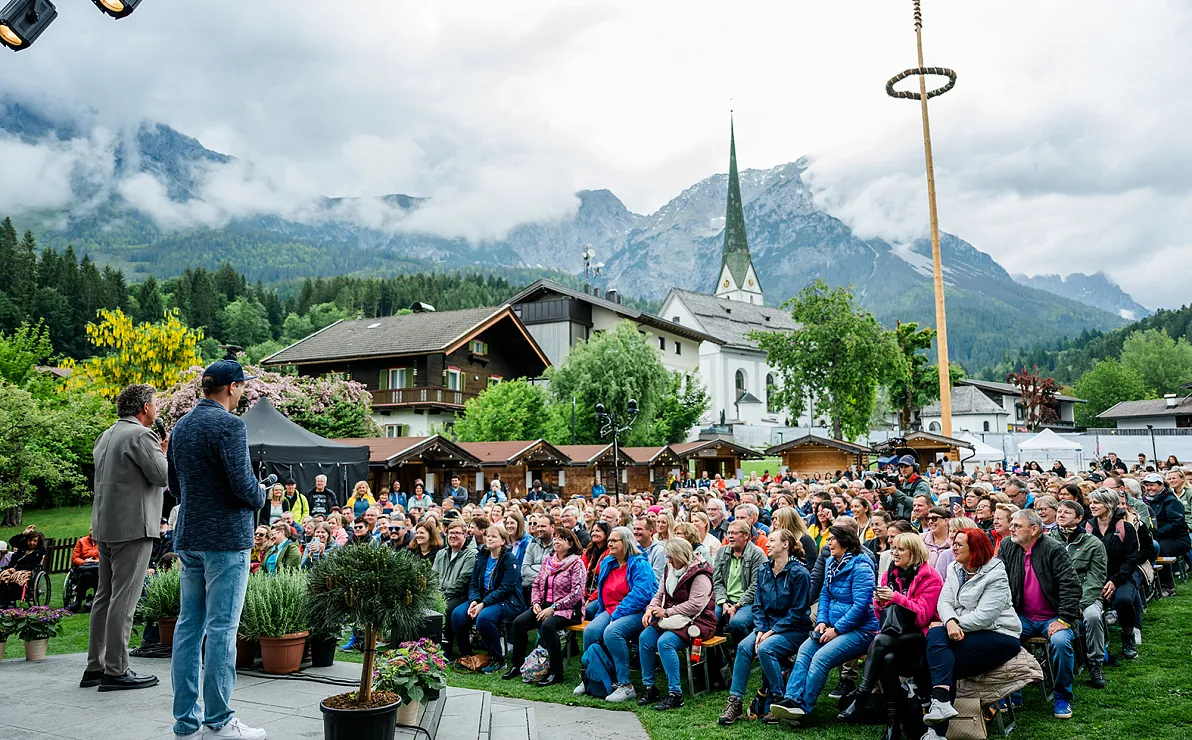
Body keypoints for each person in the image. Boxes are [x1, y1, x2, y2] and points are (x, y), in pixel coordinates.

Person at [167, 359, 269, 740]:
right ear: (232, 387)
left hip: (190, 537)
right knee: (223, 630)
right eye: (242, 386)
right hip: (226, 540)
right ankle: (220, 720)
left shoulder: (181, 426)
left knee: (188, 629)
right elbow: (244, 487)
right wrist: (263, 494)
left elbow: (174, 488)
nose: (243, 392)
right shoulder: (230, 425)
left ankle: (185, 723)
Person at [85, 383, 169, 693]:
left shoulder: (106, 435)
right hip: (134, 528)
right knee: (125, 598)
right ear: (145, 408)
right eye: (155, 404)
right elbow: (162, 476)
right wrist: (163, 451)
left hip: (106, 527)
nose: (156, 408)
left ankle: (95, 665)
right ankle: (117, 670)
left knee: (104, 597)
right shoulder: (141, 435)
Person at [769, 524, 878, 723]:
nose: (828, 543)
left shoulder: (862, 566)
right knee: (805, 650)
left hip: (861, 630)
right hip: (831, 625)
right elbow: (825, 594)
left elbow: (861, 605)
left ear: (845, 541)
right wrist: (821, 621)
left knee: (820, 657)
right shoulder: (831, 562)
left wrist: (836, 630)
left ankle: (803, 707)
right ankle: (791, 699)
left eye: (832, 539)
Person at [921, 529, 1022, 740]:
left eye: (959, 544)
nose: (953, 548)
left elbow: (985, 616)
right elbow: (944, 601)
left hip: (999, 634)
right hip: (962, 631)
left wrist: (951, 625)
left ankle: (936, 730)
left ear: (975, 548)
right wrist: (949, 622)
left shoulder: (995, 574)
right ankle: (940, 708)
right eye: (953, 543)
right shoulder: (954, 568)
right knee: (941, 650)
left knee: (940, 658)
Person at [838, 532, 942, 736]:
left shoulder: (931, 577)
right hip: (894, 636)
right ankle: (892, 724)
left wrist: (896, 597)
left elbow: (923, 617)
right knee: (887, 659)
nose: (895, 553)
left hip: (920, 636)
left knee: (879, 641)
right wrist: (881, 602)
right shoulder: (889, 574)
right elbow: (882, 617)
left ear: (914, 553)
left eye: (901, 549)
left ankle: (861, 698)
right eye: (894, 548)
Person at [718, 529, 811, 726]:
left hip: (793, 629)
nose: (767, 544)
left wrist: (771, 632)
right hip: (766, 626)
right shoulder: (764, 570)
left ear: (785, 544)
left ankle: (778, 700)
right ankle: (735, 702)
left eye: (772, 540)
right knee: (744, 647)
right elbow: (758, 606)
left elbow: (798, 611)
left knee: (766, 649)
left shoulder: (800, 573)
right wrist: (760, 630)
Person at [997, 509, 1082, 720]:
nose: (1011, 529)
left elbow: (1070, 585)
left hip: (1054, 616)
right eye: (1012, 525)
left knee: (1061, 644)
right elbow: (998, 581)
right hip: (1022, 615)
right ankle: (1012, 693)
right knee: (1001, 638)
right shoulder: (1008, 546)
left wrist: (1064, 619)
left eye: (1017, 526)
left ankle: (1062, 696)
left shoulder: (1053, 548)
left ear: (1034, 529)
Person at [577, 526, 658, 702]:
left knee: (612, 632)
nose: (610, 543)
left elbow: (642, 595)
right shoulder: (608, 562)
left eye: (614, 540)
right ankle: (589, 676)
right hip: (612, 609)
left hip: (639, 611)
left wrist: (617, 614)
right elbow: (602, 591)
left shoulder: (639, 564)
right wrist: (603, 613)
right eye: (610, 540)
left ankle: (625, 685)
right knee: (591, 631)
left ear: (626, 542)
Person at [637, 538, 718, 711]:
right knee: (645, 638)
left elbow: (696, 605)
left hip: (698, 621)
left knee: (665, 642)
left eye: (672, 557)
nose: (669, 561)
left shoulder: (700, 574)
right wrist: (650, 609)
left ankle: (676, 694)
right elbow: (660, 593)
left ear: (682, 555)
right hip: (672, 618)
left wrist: (666, 612)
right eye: (667, 557)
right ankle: (650, 687)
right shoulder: (670, 568)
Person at [505, 528, 587, 685]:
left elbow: (576, 593)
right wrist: (536, 603)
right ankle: (517, 665)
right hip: (544, 606)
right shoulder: (548, 560)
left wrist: (553, 608)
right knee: (518, 623)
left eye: (561, 539)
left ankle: (557, 672)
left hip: (568, 610)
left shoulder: (577, 563)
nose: (556, 541)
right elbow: (536, 584)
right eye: (555, 538)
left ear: (570, 544)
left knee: (548, 626)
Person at [1048, 500, 1109, 688]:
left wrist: (1080, 604)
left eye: (1067, 512)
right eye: (1059, 511)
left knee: (1091, 616)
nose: (1061, 515)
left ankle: (1095, 665)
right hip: (1055, 596)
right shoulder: (1047, 541)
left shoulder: (1093, 543)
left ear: (1079, 518)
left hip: (1086, 596)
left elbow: (1096, 578)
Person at [452, 525, 524, 673]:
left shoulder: (510, 559)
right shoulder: (482, 556)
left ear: (503, 541)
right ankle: (466, 655)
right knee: (458, 614)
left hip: (508, 600)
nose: (489, 539)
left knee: (484, 618)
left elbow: (506, 589)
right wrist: (475, 600)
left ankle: (497, 658)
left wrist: (483, 604)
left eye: (493, 536)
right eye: (488, 536)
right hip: (483, 598)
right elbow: (473, 583)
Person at [1086, 487, 1144, 659]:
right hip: (1095, 576)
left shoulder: (1125, 527)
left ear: (1109, 504)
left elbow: (1131, 559)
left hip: (1122, 574)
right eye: (1091, 502)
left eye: (1096, 502)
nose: (1092, 506)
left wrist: (1115, 581)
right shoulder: (1088, 527)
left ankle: (1128, 636)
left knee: (1124, 600)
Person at [712, 520, 766, 644]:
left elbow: (756, 585)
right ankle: (719, 660)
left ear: (745, 535)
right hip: (726, 600)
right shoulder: (722, 552)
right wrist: (723, 602)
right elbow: (717, 580)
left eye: (734, 533)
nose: (730, 536)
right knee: (711, 620)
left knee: (737, 623)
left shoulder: (757, 554)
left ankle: (743, 653)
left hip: (749, 602)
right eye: (729, 533)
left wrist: (737, 606)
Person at [433, 520, 478, 659]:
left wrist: (442, 596)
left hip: (460, 596)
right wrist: (435, 593)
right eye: (451, 533)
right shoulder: (441, 553)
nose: (453, 536)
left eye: (457, 533)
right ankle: (430, 646)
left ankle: (446, 649)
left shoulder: (471, 554)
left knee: (446, 609)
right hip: (440, 594)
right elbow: (433, 576)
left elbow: (462, 582)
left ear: (465, 536)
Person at [1142, 472, 1190, 597]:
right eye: (1146, 485)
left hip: (1178, 539)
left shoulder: (1171, 501)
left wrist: (1156, 533)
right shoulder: (1144, 502)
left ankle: (1167, 586)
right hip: (1156, 536)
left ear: (1161, 485)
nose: (1149, 488)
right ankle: (1147, 583)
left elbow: (1176, 524)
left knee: (1159, 549)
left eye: (1152, 485)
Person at [0, 528, 47, 606]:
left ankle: (12, 601)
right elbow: (12, 541)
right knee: (3, 576)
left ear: (38, 542)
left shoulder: (39, 551)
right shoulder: (22, 546)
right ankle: (3, 601)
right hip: (13, 568)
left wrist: (16, 569)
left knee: (16, 578)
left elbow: (32, 564)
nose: (32, 543)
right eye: (30, 540)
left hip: (27, 570)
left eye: (34, 541)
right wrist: (23, 534)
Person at [520, 513, 554, 604]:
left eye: (543, 526)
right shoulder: (533, 543)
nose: (539, 529)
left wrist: (534, 567)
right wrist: (542, 575)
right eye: (538, 526)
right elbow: (524, 568)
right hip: (529, 588)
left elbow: (553, 572)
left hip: (549, 592)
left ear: (552, 527)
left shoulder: (557, 545)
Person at [70, 528, 101, 612]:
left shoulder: (103, 543)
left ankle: (93, 600)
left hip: (98, 568)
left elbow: (107, 557)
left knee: (96, 574)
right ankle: (79, 600)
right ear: (90, 530)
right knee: (87, 574)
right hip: (83, 569)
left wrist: (96, 561)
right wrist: (84, 561)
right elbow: (75, 558)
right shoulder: (81, 541)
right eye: (92, 529)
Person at [922, 506, 954, 579]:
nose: (930, 522)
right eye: (928, 519)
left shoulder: (954, 541)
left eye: (934, 518)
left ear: (946, 521)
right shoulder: (920, 540)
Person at [634, 516, 667, 581]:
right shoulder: (633, 547)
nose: (635, 532)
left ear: (651, 531)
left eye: (639, 529)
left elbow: (656, 578)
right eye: (634, 529)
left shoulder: (659, 550)